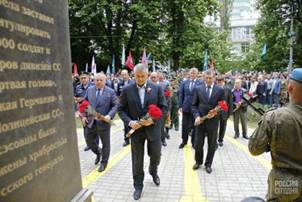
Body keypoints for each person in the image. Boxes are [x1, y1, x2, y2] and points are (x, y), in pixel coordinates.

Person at [248, 68, 302, 202]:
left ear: (289, 88)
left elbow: (254, 149)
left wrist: (270, 144)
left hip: (285, 184)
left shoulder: (275, 117)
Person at [118, 64, 167, 200]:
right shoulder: (127, 90)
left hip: (153, 129)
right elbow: (121, 109)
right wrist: (129, 122)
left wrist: (153, 120)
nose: (139, 79)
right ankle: (138, 185)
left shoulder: (156, 88)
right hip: (137, 131)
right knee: (137, 160)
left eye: (142, 76)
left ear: (147, 75)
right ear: (133, 75)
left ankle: (153, 170)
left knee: (156, 155)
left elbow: (163, 108)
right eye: (137, 76)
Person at [82, 73, 119, 172]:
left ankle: (104, 162)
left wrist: (109, 115)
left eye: (100, 80)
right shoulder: (90, 90)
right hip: (91, 121)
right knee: (89, 140)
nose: (98, 82)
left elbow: (115, 105)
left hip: (103, 122)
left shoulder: (110, 92)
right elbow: (84, 103)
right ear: (94, 81)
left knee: (105, 143)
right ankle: (98, 152)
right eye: (96, 80)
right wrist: (83, 116)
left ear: (105, 81)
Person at [191, 70, 225, 174]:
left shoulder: (219, 90)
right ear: (204, 77)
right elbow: (194, 105)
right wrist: (196, 116)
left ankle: (208, 164)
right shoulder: (198, 89)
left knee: (211, 144)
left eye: (210, 78)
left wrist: (216, 112)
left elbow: (222, 105)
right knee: (198, 143)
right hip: (201, 120)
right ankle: (198, 161)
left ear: (214, 78)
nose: (208, 80)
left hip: (213, 122)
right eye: (207, 78)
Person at [178, 68, 203, 149]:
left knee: (195, 125)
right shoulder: (184, 82)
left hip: (195, 108)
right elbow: (181, 95)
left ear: (197, 74)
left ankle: (193, 142)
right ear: (189, 74)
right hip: (186, 107)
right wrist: (180, 106)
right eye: (191, 73)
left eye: (194, 73)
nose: (192, 74)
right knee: (184, 125)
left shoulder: (200, 83)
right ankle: (184, 141)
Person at [74, 71, 98, 151]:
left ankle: (95, 144)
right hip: (82, 109)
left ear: (88, 78)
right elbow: (76, 98)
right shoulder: (78, 87)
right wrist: (77, 100)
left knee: (94, 127)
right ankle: (88, 144)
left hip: (91, 109)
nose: (83, 79)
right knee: (85, 127)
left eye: (85, 78)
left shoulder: (93, 86)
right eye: (82, 78)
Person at [117, 69, 135, 147]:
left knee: (132, 123)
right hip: (124, 107)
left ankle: (133, 138)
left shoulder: (133, 83)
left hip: (132, 106)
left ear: (128, 75)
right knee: (125, 124)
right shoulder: (119, 84)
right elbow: (117, 94)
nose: (124, 76)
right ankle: (126, 139)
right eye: (122, 75)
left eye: (125, 74)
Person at [217, 75, 233, 147]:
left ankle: (220, 140)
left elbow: (230, 101)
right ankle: (214, 139)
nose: (219, 83)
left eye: (220, 81)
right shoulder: (215, 88)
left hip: (224, 111)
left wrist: (230, 112)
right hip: (216, 111)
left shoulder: (228, 89)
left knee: (223, 126)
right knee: (215, 126)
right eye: (218, 81)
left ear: (223, 81)